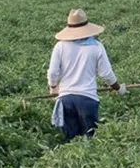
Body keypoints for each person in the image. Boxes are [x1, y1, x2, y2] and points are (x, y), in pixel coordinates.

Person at [47, 8, 126, 140]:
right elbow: (106, 74)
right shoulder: (96, 46)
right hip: (87, 99)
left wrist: (53, 88)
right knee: (90, 139)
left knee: (70, 140)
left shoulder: (60, 46)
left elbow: (53, 72)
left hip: (66, 99)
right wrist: (118, 88)